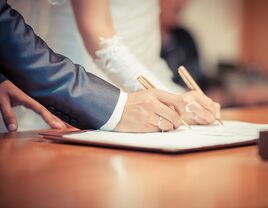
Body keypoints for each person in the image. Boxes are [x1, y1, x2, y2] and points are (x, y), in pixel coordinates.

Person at [0, 0, 221, 133]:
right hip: (92, 85)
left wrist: (176, 96)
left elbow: (143, 46)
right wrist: (170, 99)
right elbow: (102, 38)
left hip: (142, 77)